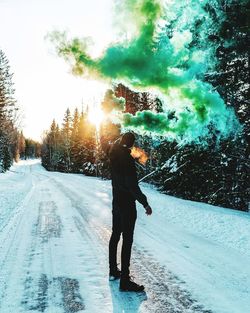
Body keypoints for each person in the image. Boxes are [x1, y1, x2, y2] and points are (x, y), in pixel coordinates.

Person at [108, 132, 152, 292]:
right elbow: (132, 186)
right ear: (131, 144)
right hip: (126, 205)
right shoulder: (127, 160)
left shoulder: (114, 154)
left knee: (115, 235)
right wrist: (145, 203)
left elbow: (110, 146)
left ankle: (113, 271)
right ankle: (125, 280)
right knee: (127, 240)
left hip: (116, 202)